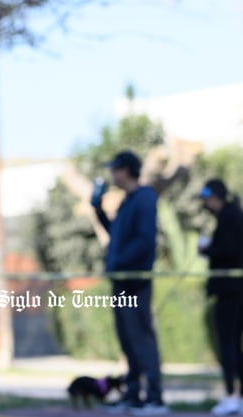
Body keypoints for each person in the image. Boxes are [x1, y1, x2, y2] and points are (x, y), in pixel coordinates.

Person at [92, 150, 168, 415]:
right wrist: (97, 208)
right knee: (127, 339)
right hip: (120, 279)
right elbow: (116, 234)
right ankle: (134, 394)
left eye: (115, 169)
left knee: (142, 338)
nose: (112, 174)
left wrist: (121, 263)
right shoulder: (127, 202)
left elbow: (144, 241)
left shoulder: (145, 198)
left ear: (127, 170)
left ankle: (155, 399)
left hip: (134, 279)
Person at [198, 179, 243, 415]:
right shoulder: (233, 214)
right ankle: (236, 397)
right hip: (234, 290)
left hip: (230, 291)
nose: (204, 203)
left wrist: (206, 250)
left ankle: (231, 396)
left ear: (214, 196)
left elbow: (229, 251)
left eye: (206, 198)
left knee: (228, 345)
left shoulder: (229, 217)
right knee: (234, 345)